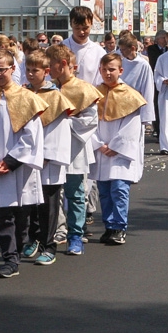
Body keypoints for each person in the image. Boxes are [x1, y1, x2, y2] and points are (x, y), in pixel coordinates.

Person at [0, 50, 46, 278]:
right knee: (2, 215)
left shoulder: (27, 98)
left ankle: (19, 248)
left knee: (21, 214)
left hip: (18, 165)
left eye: (2, 69)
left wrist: (10, 161)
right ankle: (10, 259)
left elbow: (32, 135)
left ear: (13, 69)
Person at [46, 44, 100, 256]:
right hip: (51, 149)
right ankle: (56, 231)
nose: (48, 69)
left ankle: (76, 235)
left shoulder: (83, 89)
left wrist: (64, 122)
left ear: (63, 64)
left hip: (74, 148)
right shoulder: (49, 88)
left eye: (51, 65)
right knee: (52, 194)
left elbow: (90, 120)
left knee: (76, 193)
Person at [23, 49, 73, 265]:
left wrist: (45, 155)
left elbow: (58, 131)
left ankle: (49, 246)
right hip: (27, 158)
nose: (30, 74)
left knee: (48, 206)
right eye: (28, 70)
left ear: (46, 72)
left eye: (35, 70)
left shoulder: (56, 96)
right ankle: (33, 238)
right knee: (30, 205)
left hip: (47, 161)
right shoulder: (23, 94)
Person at [91, 53, 147, 244]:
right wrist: (98, 144)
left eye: (112, 69)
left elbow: (132, 125)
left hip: (119, 153)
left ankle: (119, 227)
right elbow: (89, 123)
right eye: (104, 69)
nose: (108, 73)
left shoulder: (130, 95)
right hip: (102, 150)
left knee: (119, 189)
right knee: (104, 192)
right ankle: (109, 226)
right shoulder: (95, 93)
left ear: (120, 70)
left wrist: (115, 146)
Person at [64, 6, 103, 86]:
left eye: (85, 28)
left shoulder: (99, 52)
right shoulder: (60, 48)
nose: (81, 32)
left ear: (91, 24)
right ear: (70, 24)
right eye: (77, 28)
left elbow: (101, 81)